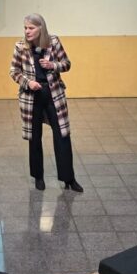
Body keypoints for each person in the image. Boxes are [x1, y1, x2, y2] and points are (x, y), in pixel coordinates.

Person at [9, 13, 83, 193]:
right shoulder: (20, 47)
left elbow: (67, 64)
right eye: (25, 28)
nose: (27, 31)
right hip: (32, 97)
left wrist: (53, 66)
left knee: (62, 135)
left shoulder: (53, 42)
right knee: (34, 138)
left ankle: (69, 178)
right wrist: (28, 83)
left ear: (40, 28)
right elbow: (14, 71)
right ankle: (38, 177)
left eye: (31, 28)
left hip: (53, 94)